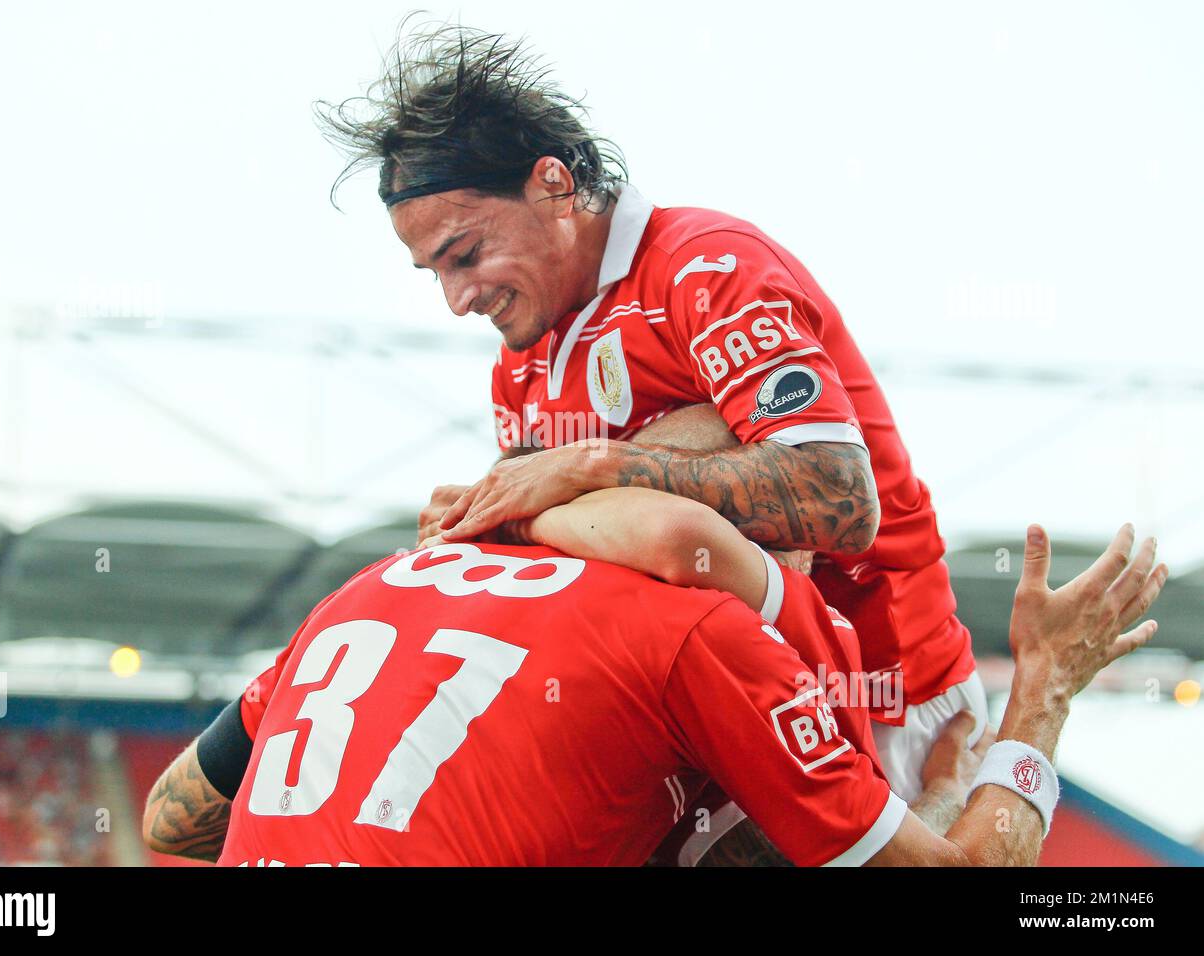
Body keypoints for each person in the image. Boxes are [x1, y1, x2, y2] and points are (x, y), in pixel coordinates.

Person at [318, 22, 982, 801]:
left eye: (466, 255)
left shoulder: (708, 267)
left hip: (882, 704)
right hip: (709, 701)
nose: (458, 300)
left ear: (554, 186)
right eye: (433, 272)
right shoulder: (522, 355)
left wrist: (591, 466)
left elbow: (839, 504)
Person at [143, 511, 1165, 866]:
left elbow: (170, 816)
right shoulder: (701, 630)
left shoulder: (372, 587)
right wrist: (1044, 686)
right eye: (808, 552)